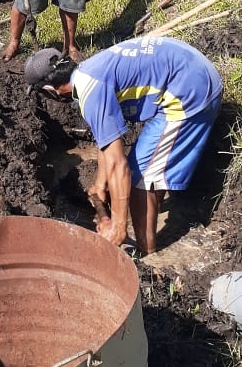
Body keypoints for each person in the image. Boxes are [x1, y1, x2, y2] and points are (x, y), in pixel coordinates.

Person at [23, 36, 223, 256]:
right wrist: (100, 183)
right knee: (148, 168)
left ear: (51, 90)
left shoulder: (91, 91)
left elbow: (119, 165)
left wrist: (118, 227)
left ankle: (147, 255)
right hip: (191, 70)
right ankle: (148, 223)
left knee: (139, 178)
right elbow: (107, 139)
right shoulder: (87, 73)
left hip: (191, 91)